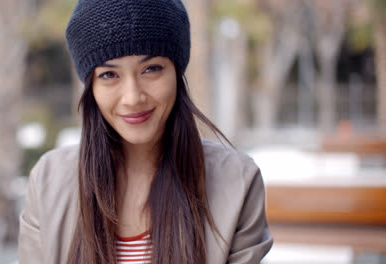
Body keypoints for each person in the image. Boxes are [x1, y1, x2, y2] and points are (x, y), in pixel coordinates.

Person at [18, 0, 273, 263]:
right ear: (90, 86)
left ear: (177, 72)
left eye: (151, 69)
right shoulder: (49, 181)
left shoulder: (237, 181)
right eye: (109, 75)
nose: (132, 97)